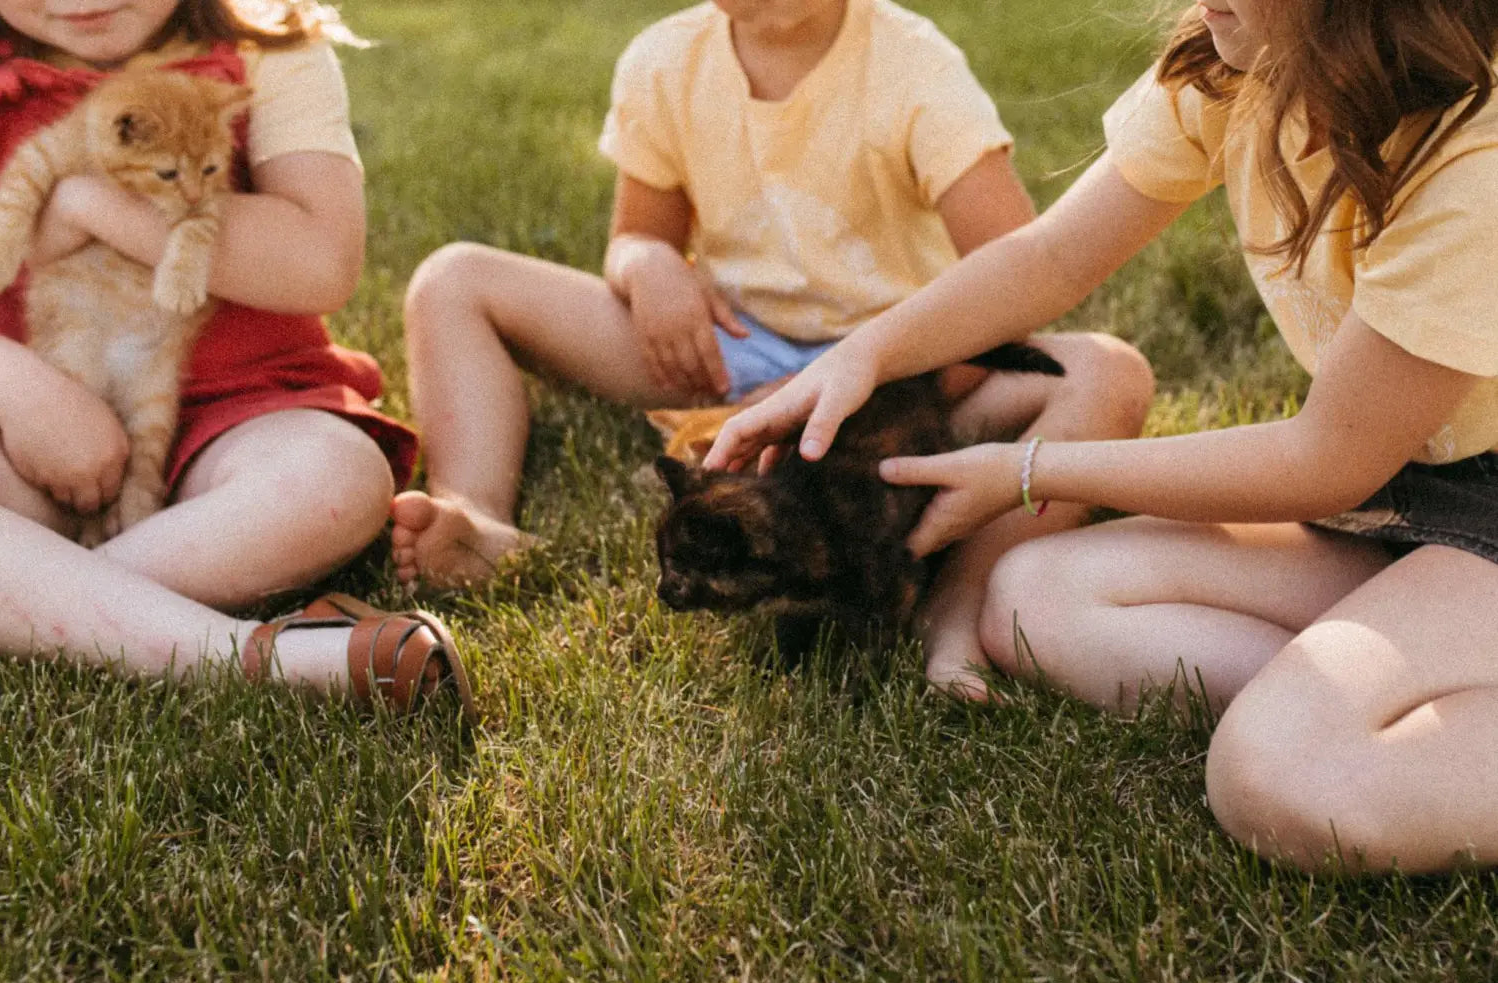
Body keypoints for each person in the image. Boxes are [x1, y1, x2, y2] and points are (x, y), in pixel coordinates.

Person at [707, 0, 1498, 872]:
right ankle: (1391, 686)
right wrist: (861, 358)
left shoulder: (1477, 157)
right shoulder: (1243, 64)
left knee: (1280, 777)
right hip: (1402, 497)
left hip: (1468, 512)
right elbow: (1052, 258)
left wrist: (1028, 468)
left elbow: (1324, 460)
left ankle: (1353, 711)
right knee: (1031, 601)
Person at [390, 0, 1155, 699]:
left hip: (898, 383)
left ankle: (958, 607)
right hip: (725, 359)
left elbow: (1011, 279)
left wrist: (876, 381)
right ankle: (476, 514)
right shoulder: (668, 60)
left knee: (1103, 371)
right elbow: (637, 233)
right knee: (453, 280)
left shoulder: (913, 66)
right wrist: (649, 266)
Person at [0, 0, 474, 720]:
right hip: (26, 427)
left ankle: (53, 603)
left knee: (335, 480)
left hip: (244, 408)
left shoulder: (267, 53)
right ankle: (266, 657)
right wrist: (15, 384)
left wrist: (91, 204)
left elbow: (320, 261)